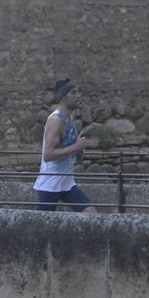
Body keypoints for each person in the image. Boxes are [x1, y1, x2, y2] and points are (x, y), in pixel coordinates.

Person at [33, 78, 96, 212]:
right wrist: (75, 147)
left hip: (67, 184)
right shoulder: (55, 120)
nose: (78, 95)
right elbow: (48, 155)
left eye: (79, 91)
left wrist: (80, 148)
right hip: (50, 185)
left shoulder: (70, 119)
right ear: (63, 97)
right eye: (73, 92)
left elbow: (76, 157)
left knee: (91, 214)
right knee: (39, 227)